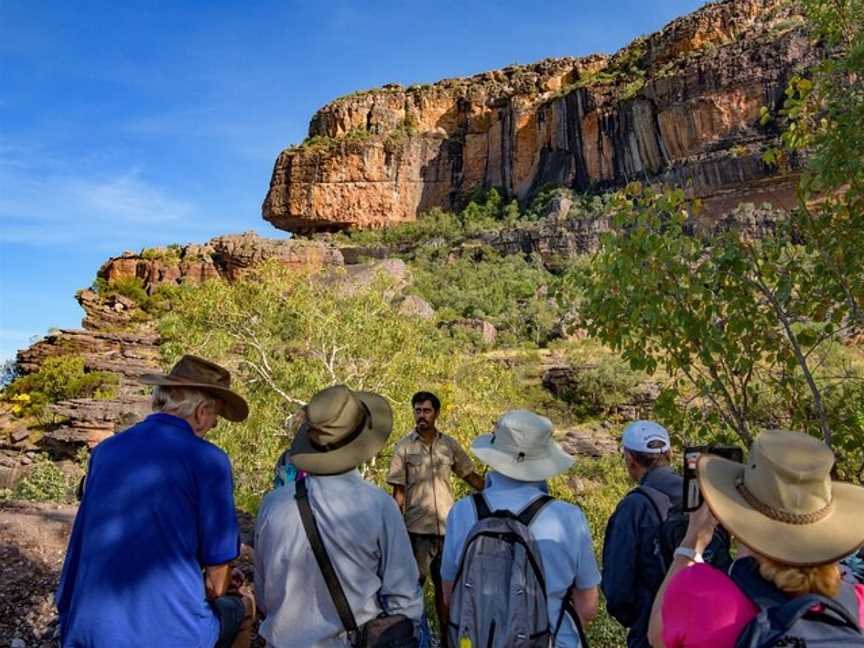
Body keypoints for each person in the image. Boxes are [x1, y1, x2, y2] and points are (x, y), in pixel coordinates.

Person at [55, 355, 255, 648]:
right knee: (244, 607)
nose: (213, 425)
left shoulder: (106, 451)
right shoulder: (208, 460)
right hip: (166, 634)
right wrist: (219, 582)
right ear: (201, 412)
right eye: (216, 417)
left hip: (84, 624)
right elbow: (216, 577)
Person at [647, 429, 864, 648]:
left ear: (737, 509)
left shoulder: (700, 593)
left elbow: (657, 635)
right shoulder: (857, 602)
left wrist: (693, 540)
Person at [255, 384, 424, 647]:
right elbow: (404, 601)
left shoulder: (273, 505)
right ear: (362, 441)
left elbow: (266, 597)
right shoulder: (379, 507)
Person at [441, 410, 601, 647]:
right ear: (543, 461)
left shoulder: (463, 511)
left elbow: (450, 596)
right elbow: (587, 608)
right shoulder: (568, 518)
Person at [386, 391, 485, 638]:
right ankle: (411, 639)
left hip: (448, 531)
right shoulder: (404, 447)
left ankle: (447, 640)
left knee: (448, 593)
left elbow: (469, 475)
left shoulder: (448, 445)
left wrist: (497, 491)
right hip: (417, 532)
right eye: (418, 410)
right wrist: (394, 528)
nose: (422, 416)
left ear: (436, 414)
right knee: (412, 591)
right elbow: (398, 492)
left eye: (426, 411)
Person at [601, 421, 680, 648]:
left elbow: (618, 588)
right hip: (707, 624)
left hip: (652, 629)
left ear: (630, 460)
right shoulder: (700, 495)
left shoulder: (634, 506)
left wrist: (638, 616)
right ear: (669, 453)